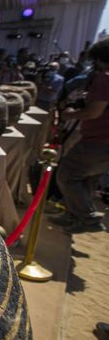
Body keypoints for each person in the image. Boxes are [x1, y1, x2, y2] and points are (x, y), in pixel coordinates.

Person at [53, 39, 109, 233]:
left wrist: (70, 114)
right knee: (86, 180)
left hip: (97, 142)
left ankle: (88, 219)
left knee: (67, 175)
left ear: (100, 59)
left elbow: (94, 112)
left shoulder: (103, 78)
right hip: (103, 144)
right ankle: (73, 216)